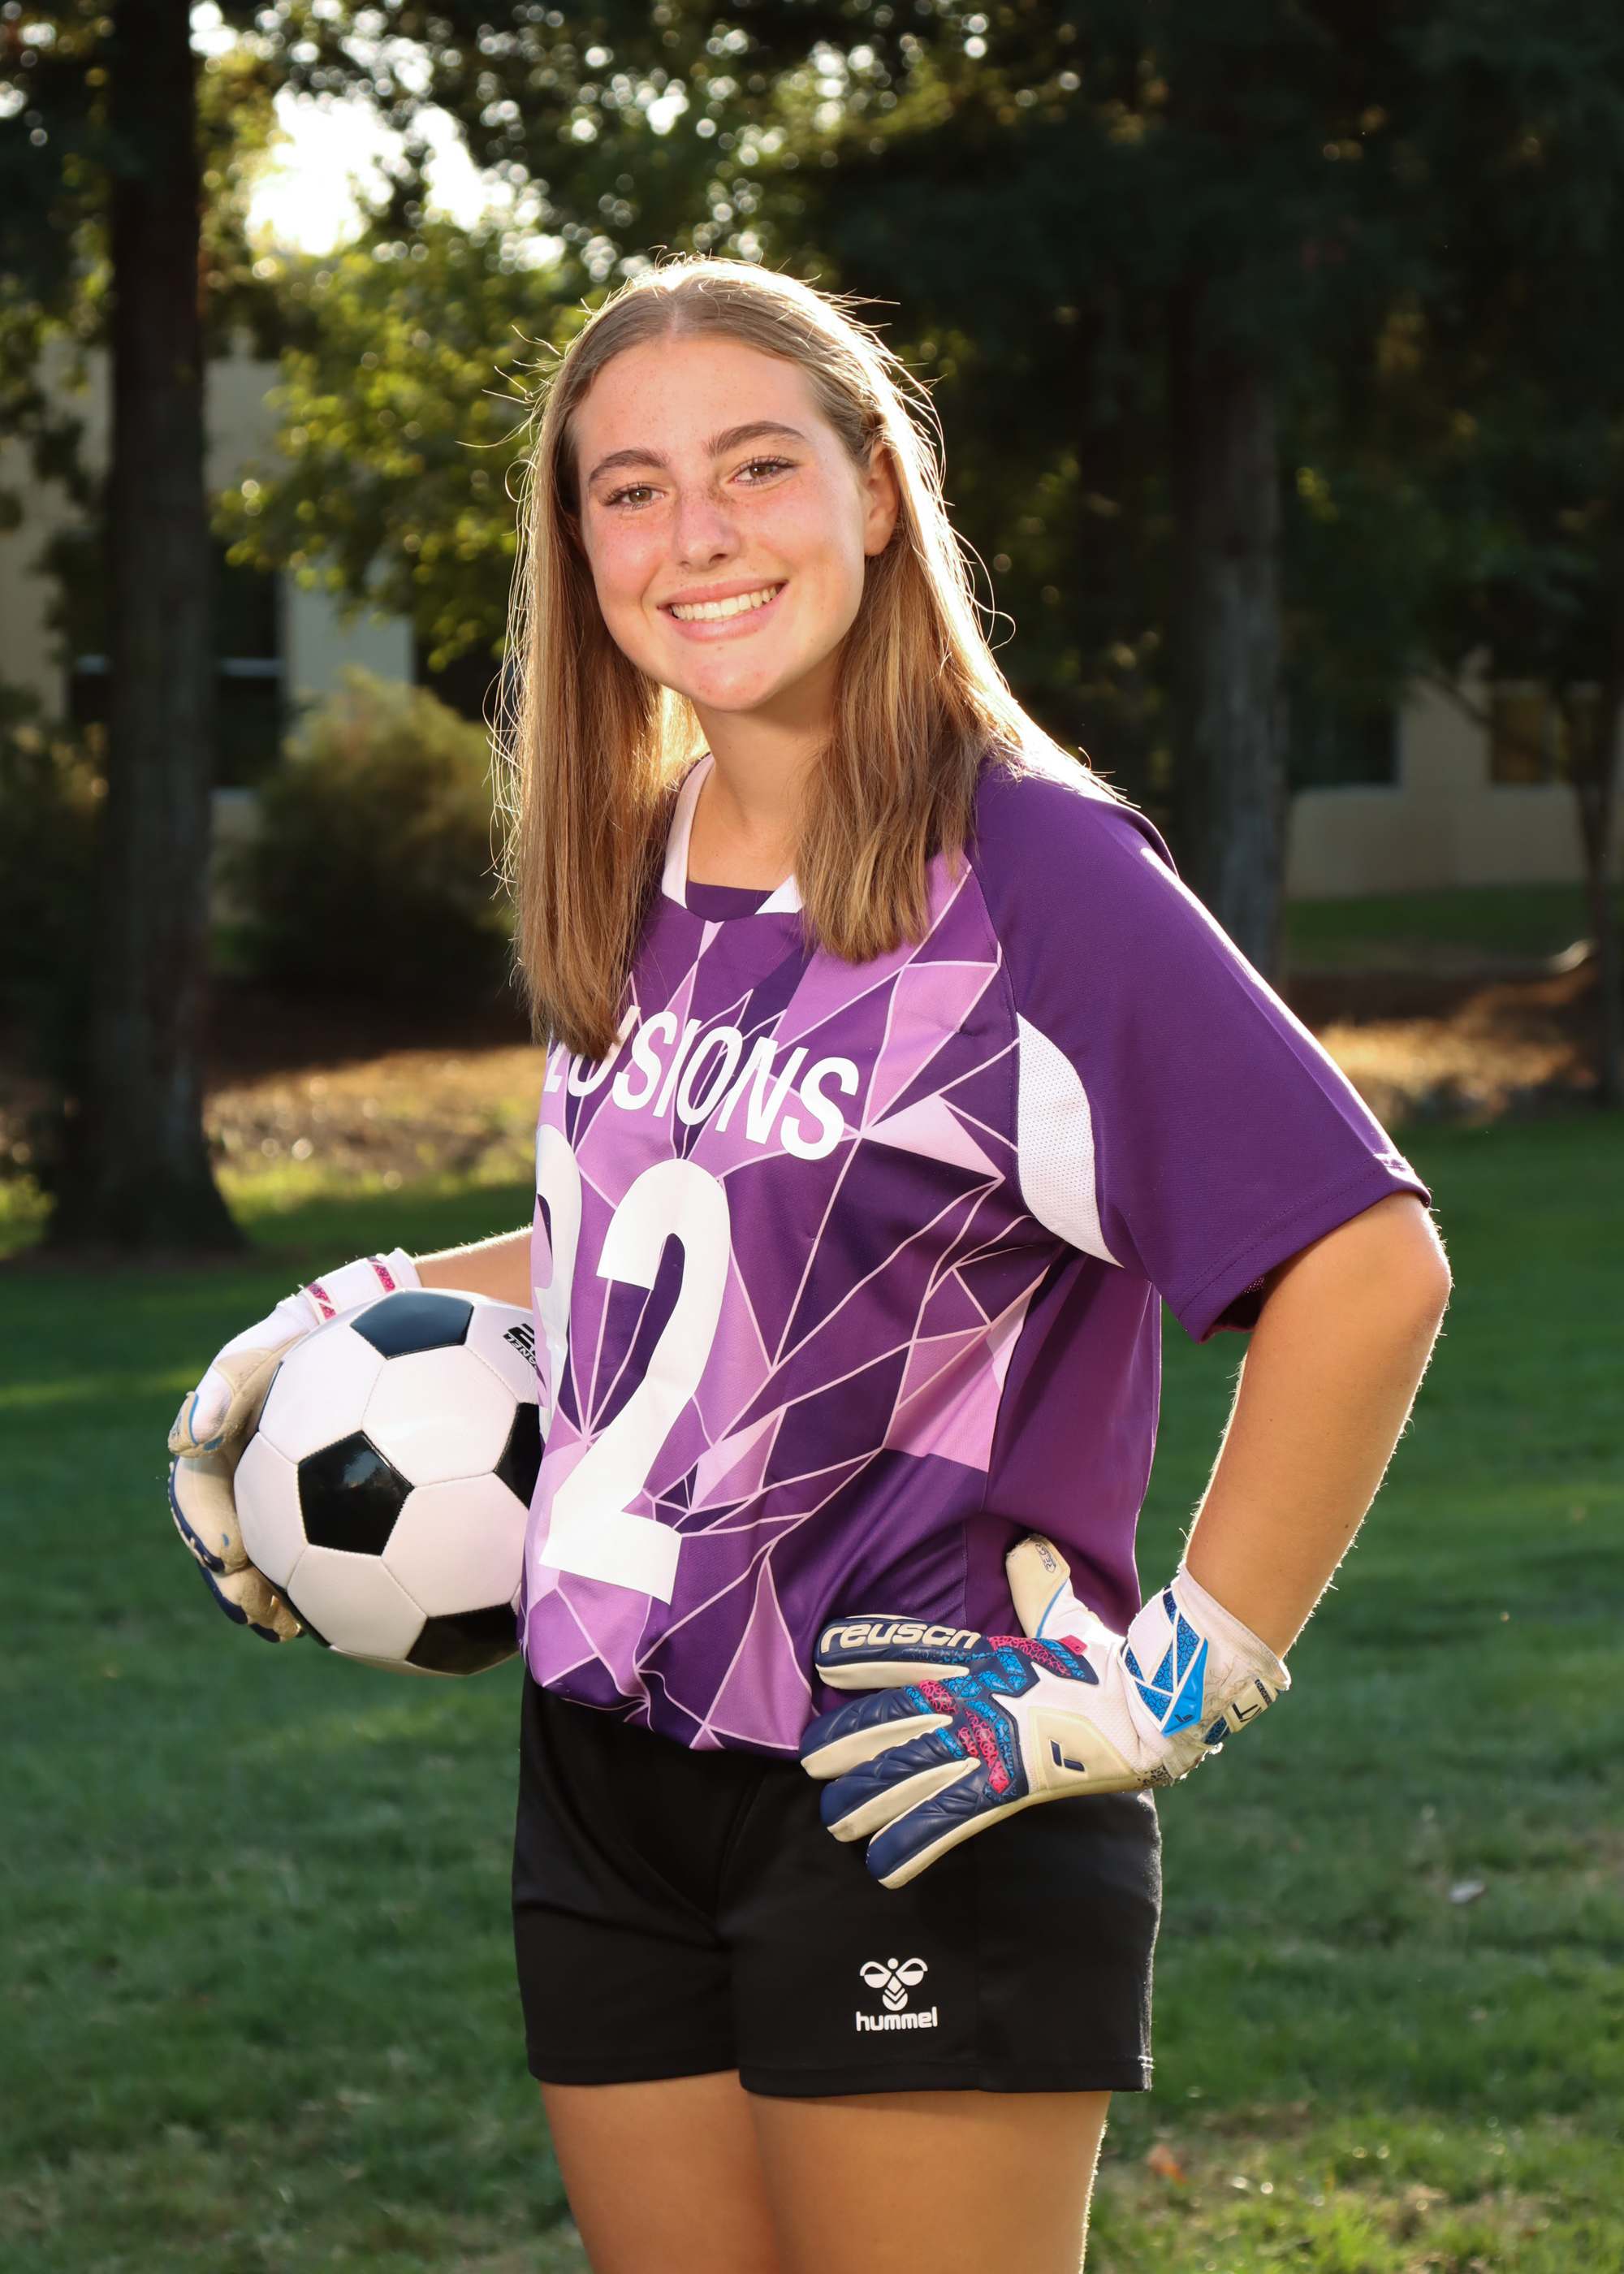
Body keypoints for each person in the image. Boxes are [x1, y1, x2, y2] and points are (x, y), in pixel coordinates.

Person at [167, 260, 1451, 2274]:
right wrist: (351, 1310)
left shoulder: (1033, 873)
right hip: (603, 1766)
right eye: (632, 488)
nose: (696, 535)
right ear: (576, 542)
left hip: (904, 1764)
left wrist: (1179, 1673)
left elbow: (1362, 1260)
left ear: (873, 485)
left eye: (756, 466)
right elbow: (665, 1240)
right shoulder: (642, 851)